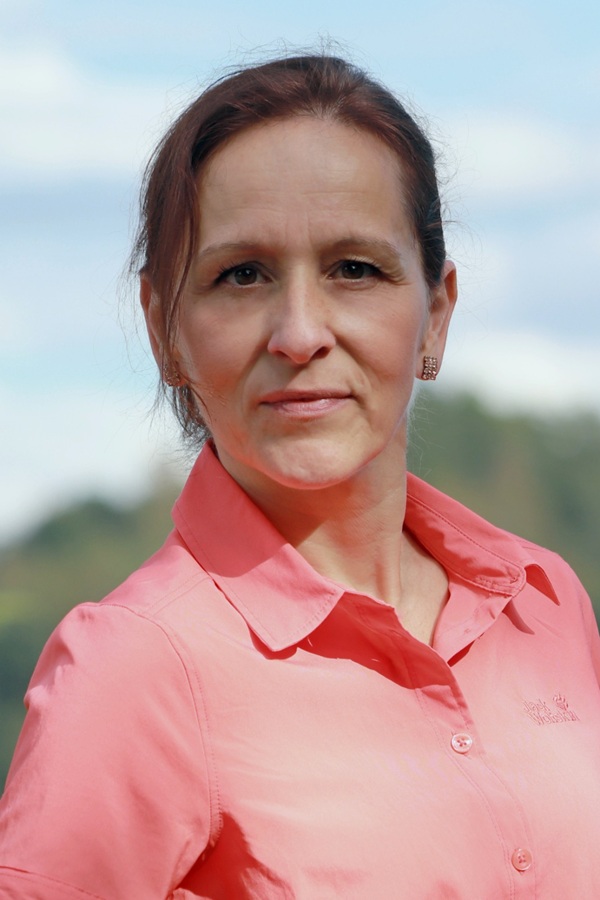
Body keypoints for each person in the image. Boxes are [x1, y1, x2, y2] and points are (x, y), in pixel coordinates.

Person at [1, 53, 599, 900]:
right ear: (164, 329)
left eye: (355, 269)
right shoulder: (134, 668)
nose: (299, 333)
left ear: (436, 313)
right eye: (241, 275)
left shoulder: (546, 603)